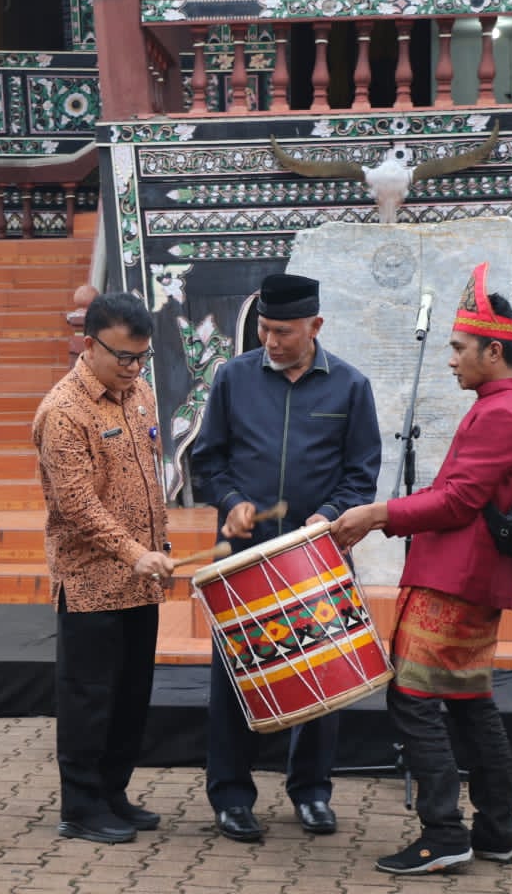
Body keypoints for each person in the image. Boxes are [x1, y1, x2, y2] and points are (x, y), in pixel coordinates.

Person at [328, 263, 512, 875]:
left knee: (414, 698)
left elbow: (456, 502)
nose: (450, 359)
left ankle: (444, 832)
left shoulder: (499, 414)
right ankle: (496, 831)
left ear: (492, 351)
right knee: (470, 702)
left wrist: (375, 513)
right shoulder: (503, 406)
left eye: (458, 348)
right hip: (467, 574)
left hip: (456, 578)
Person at [190, 272, 381, 842]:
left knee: (320, 672)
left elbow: (360, 475)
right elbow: (208, 458)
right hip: (247, 557)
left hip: (317, 555)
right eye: (264, 329)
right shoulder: (233, 378)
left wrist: (330, 514)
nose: (271, 341)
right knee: (234, 676)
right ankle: (230, 795)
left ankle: (312, 791)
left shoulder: (350, 385)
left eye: (283, 331)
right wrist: (230, 501)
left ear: (315, 327)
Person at [32, 292, 176, 845]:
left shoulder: (138, 393)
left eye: (141, 357)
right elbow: (77, 505)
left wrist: (151, 550)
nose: (133, 368)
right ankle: (81, 806)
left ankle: (113, 792)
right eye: (123, 357)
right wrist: (134, 551)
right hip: (91, 582)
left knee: (130, 694)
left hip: (142, 579)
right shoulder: (63, 411)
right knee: (89, 698)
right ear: (88, 345)